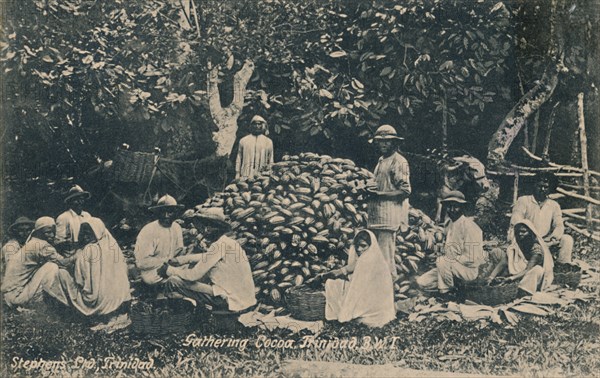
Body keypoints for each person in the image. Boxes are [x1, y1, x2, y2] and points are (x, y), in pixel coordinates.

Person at [158, 207, 257, 313]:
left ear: (212, 228)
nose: (204, 231)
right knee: (193, 275)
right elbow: (208, 257)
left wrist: (168, 270)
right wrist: (181, 260)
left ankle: (172, 313)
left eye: (206, 227)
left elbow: (193, 275)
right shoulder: (228, 242)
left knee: (173, 281)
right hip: (244, 299)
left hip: (232, 301)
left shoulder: (218, 246)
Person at [314, 230, 395, 327]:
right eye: (357, 246)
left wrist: (325, 279)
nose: (359, 249)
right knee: (336, 284)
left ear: (371, 246)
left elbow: (357, 289)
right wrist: (323, 276)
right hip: (377, 306)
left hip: (373, 304)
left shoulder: (368, 260)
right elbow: (344, 270)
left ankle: (356, 315)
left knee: (333, 285)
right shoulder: (373, 258)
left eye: (363, 246)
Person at [53, 218, 131, 316]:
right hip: (121, 298)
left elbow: (80, 280)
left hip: (98, 301)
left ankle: (69, 311)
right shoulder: (113, 246)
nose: (85, 236)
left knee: (62, 274)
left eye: (88, 233)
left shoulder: (89, 250)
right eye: (83, 233)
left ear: (96, 232)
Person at [416, 191, 486, 294]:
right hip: (450, 267)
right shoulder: (449, 224)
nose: (452, 210)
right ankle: (452, 285)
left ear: (462, 208)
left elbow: (473, 258)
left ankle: (448, 292)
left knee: (441, 261)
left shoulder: (470, 227)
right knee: (421, 282)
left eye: (456, 206)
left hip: (467, 270)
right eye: (449, 206)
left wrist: (451, 258)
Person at [366, 124, 411, 281]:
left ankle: (389, 293)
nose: (383, 144)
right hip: (375, 217)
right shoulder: (381, 161)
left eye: (387, 141)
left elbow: (405, 191)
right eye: (380, 141)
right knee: (375, 259)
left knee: (386, 259)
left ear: (394, 143)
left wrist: (380, 194)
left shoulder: (399, 162)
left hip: (388, 217)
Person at [509, 173, 573, 263]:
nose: (542, 189)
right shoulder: (523, 201)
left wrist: (553, 238)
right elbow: (516, 222)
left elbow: (559, 225)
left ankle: (562, 266)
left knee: (567, 239)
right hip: (527, 240)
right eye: (539, 186)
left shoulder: (554, 205)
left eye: (546, 187)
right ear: (534, 186)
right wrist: (529, 239)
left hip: (546, 241)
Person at [2, 217, 65, 307]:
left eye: (28, 230)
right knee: (51, 267)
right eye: (21, 230)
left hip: (24, 282)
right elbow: (12, 272)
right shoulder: (10, 247)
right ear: (15, 232)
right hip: (14, 287)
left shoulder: (29, 244)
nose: (25, 233)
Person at [486, 220, 554, 295]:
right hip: (518, 274)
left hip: (532, 276)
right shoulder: (515, 246)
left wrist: (511, 278)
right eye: (518, 232)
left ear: (530, 233)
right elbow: (503, 262)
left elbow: (528, 269)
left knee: (537, 270)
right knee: (497, 253)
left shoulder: (536, 249)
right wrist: (491, 277)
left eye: (523, 231)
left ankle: (524, 290)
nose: (520, 234)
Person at [134, 194, 184, 286]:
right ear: (157, 213)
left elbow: (179, 250)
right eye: (162, 212)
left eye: (170, 212)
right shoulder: (148, 230)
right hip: (153, 272)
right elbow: (141, 263)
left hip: (172, 268)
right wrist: (165, 262)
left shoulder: (177, 228)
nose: (166, 216)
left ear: (175, 213)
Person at [56, 185, 93, 251]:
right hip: (72, 252)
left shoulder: (87, 215)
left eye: (82, 199)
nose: (80, 202)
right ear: (70, 201)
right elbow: (59, 241)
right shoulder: (64, 217)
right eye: (76, 200)